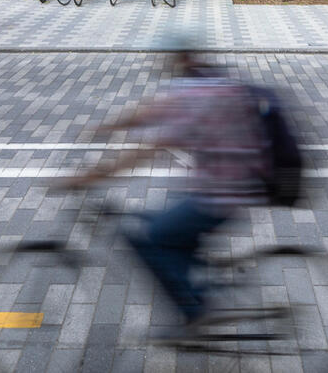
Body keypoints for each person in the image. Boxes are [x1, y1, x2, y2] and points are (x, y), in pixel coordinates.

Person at [60, 46, 267, 340]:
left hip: (222, 193)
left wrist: (92, 175)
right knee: (155, 222)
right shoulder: (203, 83)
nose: (163, 63)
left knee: (154, 236)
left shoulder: (195, 99)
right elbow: (149, 114)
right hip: (220, 183)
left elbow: (149, 150)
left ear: (180, 59)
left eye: (168, 57)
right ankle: (195, 276)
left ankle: (196, 312)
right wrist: (105, 127)